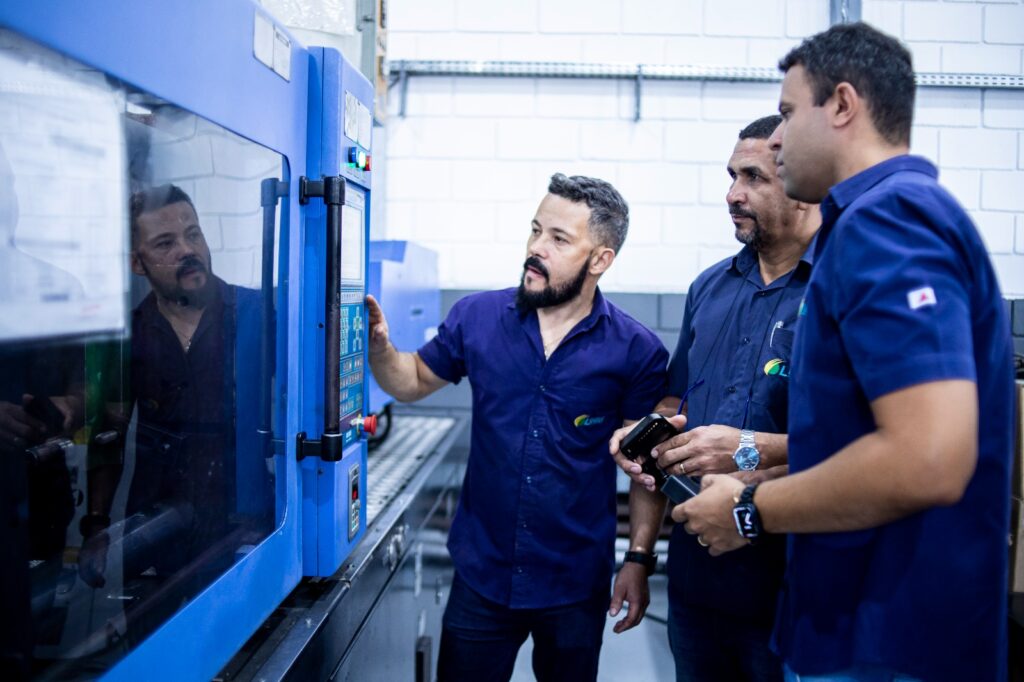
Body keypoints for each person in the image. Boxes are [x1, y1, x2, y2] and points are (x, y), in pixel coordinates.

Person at [674, 22, 1014, 682]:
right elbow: (857, 441)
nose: (777, 138)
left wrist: (748, 510)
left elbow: (928, 459)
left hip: (887, 641)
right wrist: (755, 479)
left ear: (842, 105)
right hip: (855, 627)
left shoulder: (890, 221)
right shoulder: (869, 223)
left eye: (787, 113)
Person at [365, 173, 668, 682]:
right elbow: (412, 379)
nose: (536, 248)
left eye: (559, 239)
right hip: (482, 575)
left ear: (600, 260)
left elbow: (645, 471)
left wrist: (638, 559)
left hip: (574, 582)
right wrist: (380, 350)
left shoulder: (636, 351)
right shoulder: (478, 317)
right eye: (535, 230)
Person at [609, 114, 821, 682]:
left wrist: (749, 451)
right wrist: (639, 552)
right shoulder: (709, 288)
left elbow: (859, 449)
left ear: (801, 187)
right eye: (732, 176)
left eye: (754, 177)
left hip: (793, 590)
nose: (732, 195)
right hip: (696, 586)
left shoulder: (834, 290)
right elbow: (673, 405)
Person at [79, 184, 270, 616]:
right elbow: (109, 433)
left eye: (193, 234)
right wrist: (96, 527)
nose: (187, 250)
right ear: (137, 263)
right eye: (165, 243)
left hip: (242, 531)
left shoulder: (257, 314)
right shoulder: (127, 334)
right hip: (156, 533)